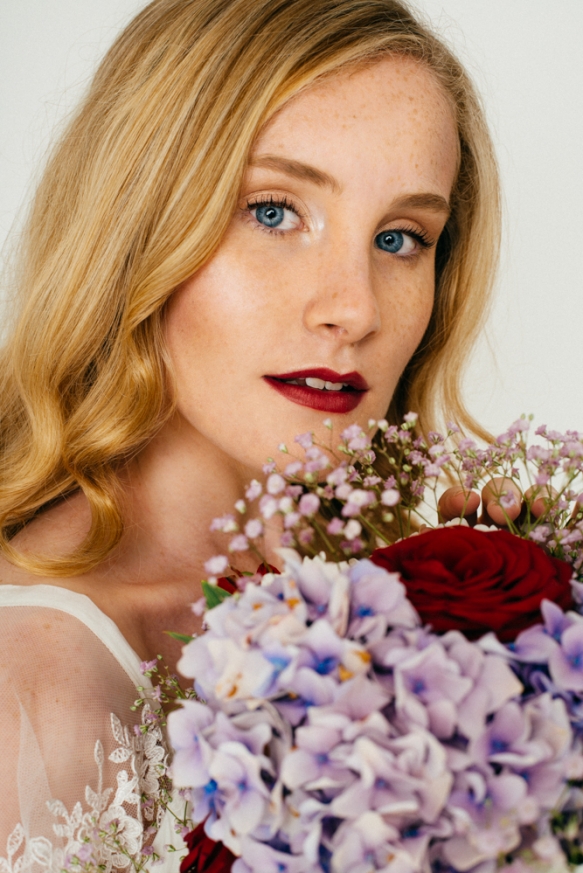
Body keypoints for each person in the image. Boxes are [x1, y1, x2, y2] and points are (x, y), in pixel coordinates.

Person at [0, 0, 507, 868]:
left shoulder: (387, 608)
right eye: (274, 212)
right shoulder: (39, 677)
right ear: (136, 226)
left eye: (399, 237)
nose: (354, 308)